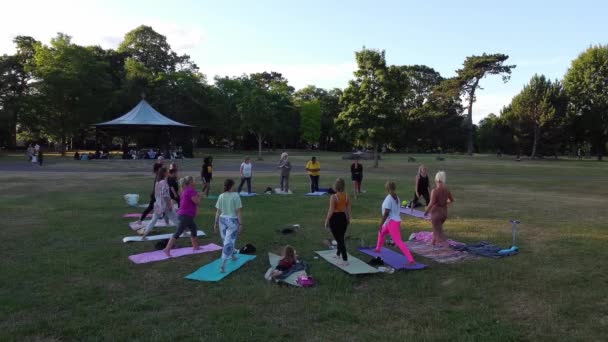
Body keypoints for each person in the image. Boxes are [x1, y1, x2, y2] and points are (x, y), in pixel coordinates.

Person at [376, 181, 416, 265]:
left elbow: (386, 213)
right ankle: (378, 249)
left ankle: (411, 260)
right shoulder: (396, 197)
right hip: (392, 221)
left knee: (398, 241)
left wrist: (380, 223)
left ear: (387, 189)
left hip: (392, 222)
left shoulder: (389, 198)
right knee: (381, 232)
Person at [163, 176, 201, 256]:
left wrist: (197, 195)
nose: (195, 182)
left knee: (193, 228)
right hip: (185, 216)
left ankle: (195, 246)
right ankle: (167, 249)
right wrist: (199, 195)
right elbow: (196, 202)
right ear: (190, 182)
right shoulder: (190, 190)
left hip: (186, 215)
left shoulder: (185, 190)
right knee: (178, 232)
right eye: (193, 180)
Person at [214, 179, 243, 273]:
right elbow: (238, 211)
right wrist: (240, 223)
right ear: (231, 186)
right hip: (232, 221)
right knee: (228, 242)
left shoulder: (221, 196)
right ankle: (223, 265)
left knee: (227, 240)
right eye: (233, 185)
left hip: (222, 221)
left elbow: (218, 211)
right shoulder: (236, 195)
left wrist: (215, 223)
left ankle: (232, 256)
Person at [141, 167, 178, 238]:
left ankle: (144, 235)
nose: (168, 173)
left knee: (153, 221)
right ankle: (184, 232)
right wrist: (169, 205)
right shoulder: (164, 183)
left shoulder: (157, 182)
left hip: (158, 205)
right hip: (165, 205)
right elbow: (166, 196)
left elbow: (157, 195)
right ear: (164, 173)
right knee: (175, 219)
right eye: (167, 171)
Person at [324, 178, 351, 266]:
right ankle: (338, 254)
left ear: (335, 186)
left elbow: (331, 210)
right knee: (341, 237)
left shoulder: (333, 197)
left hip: (335, 219)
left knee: (339, 239)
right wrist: (348, 218)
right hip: (343, 218)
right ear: (343, 186)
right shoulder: (346, 196)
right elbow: (347, 209)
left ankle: (345, 259)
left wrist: (327, 220)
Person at [424, 171, 454, 247]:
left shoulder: (435, 191)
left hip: (436, 215)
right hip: (444, 214)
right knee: (436, 230)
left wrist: (426, 212)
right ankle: (432, 244)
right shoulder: (446, 189)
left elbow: (431, 204)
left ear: (436, 179)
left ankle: (448, 250)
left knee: (439, 236)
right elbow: (451, 200)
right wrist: (444, 202)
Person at [137, 157, 165, 226]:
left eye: (162, 160)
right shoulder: (158, 171)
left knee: (163, 205)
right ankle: (141, 219)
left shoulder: (161, 174)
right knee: (151, 207)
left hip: (158, 194)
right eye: (161, 160)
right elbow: (155, 171)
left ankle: (163, 217)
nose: (162, 161)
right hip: (155, 194)